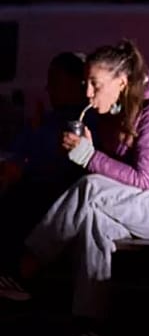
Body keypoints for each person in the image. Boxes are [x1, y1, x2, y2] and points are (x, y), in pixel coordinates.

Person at [0, 41, 149, 336]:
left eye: (95, 85)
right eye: (86, 85)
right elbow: (122, 175)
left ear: (121, 83)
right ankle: (91, 327)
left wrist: (90, 157)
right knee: (96, 222)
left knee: (91, 188)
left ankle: (25, 268)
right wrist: (95, 147)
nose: (88, 94)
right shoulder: (120, 114)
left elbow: (145, 181)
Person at [0, 52, 96, 268]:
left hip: (58, 193)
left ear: (77, 84)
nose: (48, 89)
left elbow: (68, 166)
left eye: (55, 82)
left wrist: (25, 169)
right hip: (29, 180)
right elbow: (20, 148)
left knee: (23, 197)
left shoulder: (84, 122)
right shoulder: (48, 119)